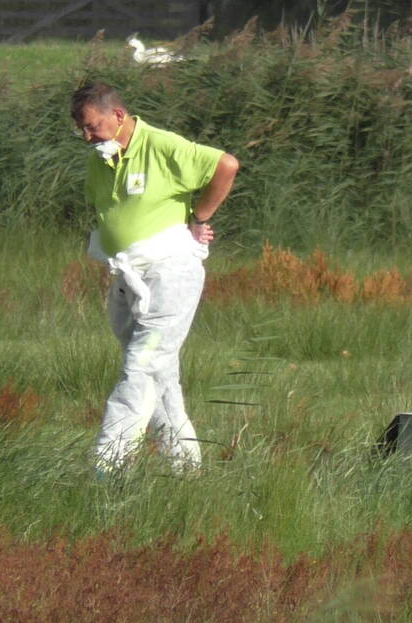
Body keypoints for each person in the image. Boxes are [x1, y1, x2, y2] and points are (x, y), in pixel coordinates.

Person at [71, 81, 239, 474]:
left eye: (92, 126)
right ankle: (185, 469)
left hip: (171, 272)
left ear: (117, 115)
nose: (86, 136)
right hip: (130, 277)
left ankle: (109, 465)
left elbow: (225, 165)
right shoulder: (100, 158)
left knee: (142, 365)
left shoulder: (161, 144)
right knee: (161, 376)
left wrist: (199, 219)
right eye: (80, 129)